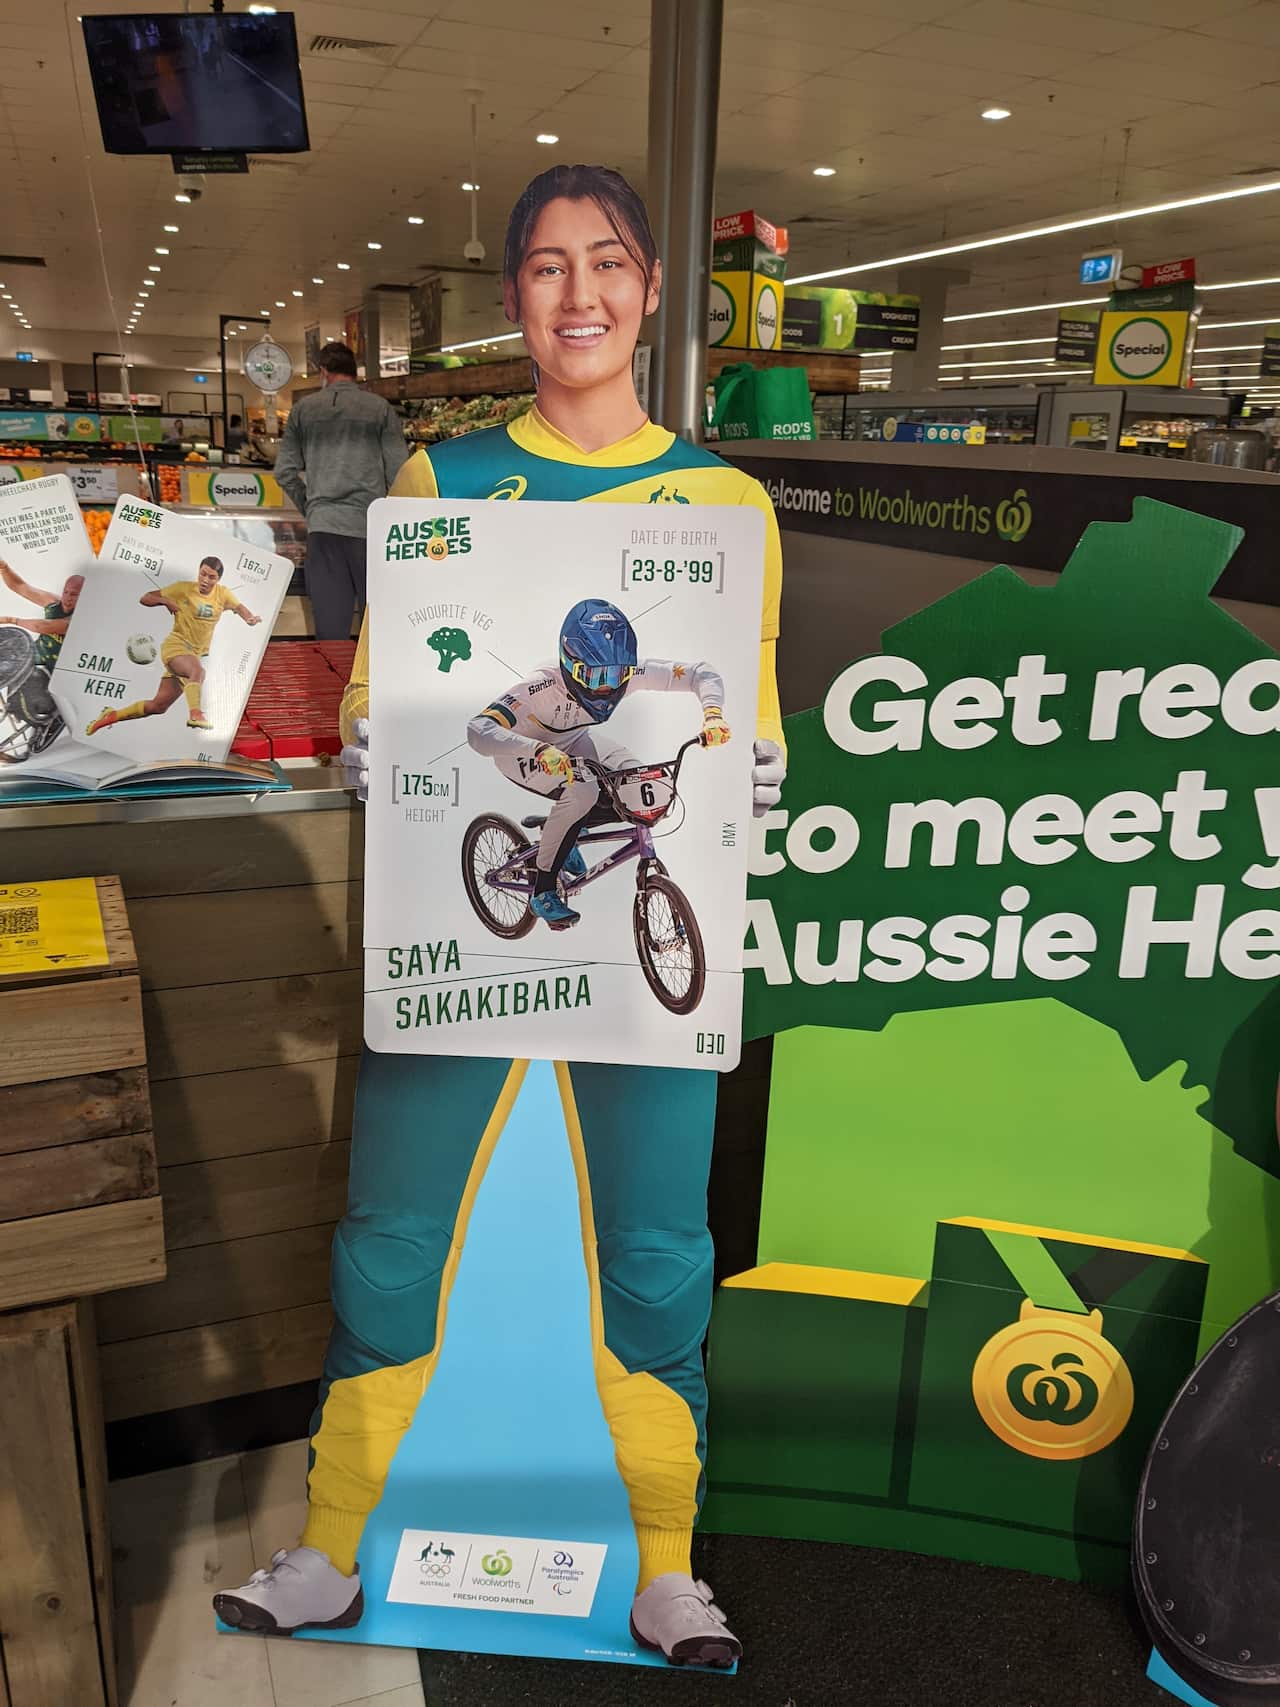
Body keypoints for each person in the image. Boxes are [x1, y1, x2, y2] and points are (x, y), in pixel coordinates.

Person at [214, 163, 787, 1668]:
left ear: (654, 289)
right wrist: (363, 732)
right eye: (546, 267)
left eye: (608, 265)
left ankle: (664, 1561)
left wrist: (761, 755)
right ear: (516, 296)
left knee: (659, 1246)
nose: (580, 294)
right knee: (391, 1238)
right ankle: (335, 1545)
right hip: (457, 929)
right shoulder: (445, 482)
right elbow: (380, 691)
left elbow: (751, 693)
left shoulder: (725, 502)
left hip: (651, 957)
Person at [470, 597, 732, 929]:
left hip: (573, 742)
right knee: (584, 789)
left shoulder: (626, 673)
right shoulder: (540, 686)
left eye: (618, 674)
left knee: (636, 779)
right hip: (522, 754)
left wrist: (713, 716)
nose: (608, 686)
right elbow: (478, 731)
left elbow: (701, 673)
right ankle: (544, 890)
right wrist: (536, 751)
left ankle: (566, 831)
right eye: (595, 678)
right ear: (570, 664)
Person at [274, 342, 407, 641]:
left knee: (330, 633)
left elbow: (284, 472)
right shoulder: (379, 409)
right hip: (371, 533)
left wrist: (312, 507)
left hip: (324, 533)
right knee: (380, 632)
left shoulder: (302, 411)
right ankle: (372, 688)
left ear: (324, 371)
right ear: (355, 372)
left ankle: (331, 687)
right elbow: (401, 473)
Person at [86, 554, 260, 736]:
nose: (205, 580)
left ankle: (111, 716)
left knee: (158, 706)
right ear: (199, 572)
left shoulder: (223, 594)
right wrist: (165, 600)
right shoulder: (183, 589)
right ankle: (196, 714)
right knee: (198, 672)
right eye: (203, 574)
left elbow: (239, 607)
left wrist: (249, 618)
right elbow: (145, 598)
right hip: (176, 646)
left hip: (192, 655)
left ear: (218, 579)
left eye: (211, 577)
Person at [0, 559, 84, 672]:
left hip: (58, 671)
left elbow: (43, 626)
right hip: (35, 658)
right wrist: (4, 568)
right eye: (66, 592)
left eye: (74, 594)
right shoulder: (55, 603)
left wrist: (11, 620)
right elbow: (20, 586)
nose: (67, 598)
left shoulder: (81, 618)